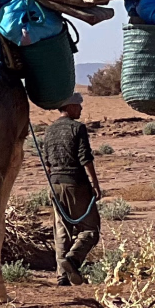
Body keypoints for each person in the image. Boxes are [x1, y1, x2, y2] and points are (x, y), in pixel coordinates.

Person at [37, 93, 104, 285]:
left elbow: (47, 162)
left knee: (61, 231)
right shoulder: (78, 128)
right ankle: (73, 260)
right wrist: (95, 184)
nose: (81, 109)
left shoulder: (49, 130)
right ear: (70, 107)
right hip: (76, 184)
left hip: (55, 184)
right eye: (79, 105)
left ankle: (62, 276)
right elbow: (85, 158)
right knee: (91, 229)